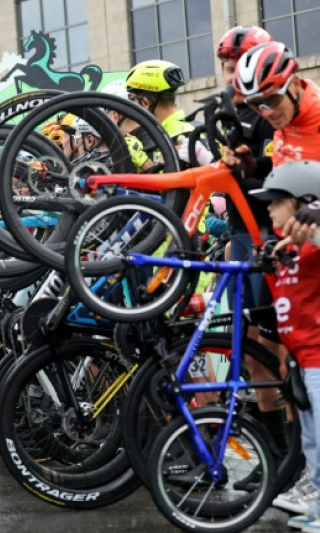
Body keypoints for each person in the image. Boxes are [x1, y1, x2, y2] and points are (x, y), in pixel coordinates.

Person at [229, 40, 320, 515]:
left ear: (294, 81)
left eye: (271, 100)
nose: (266, 111)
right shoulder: (277, 122)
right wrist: (252, 168)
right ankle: (301, 470)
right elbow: (285, 179)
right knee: (285, 362)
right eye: (255, 104)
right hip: (292, 252)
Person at [248, 161, 320, 532]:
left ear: (303, 203)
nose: (270, 209)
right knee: (310, 438)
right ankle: (317, 500)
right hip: (301, 358)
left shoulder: (313, 244)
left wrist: (314, 223)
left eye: (276, 202)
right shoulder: (284, 248)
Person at [125, 59, 213, 168]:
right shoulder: (198, 126)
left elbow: (173, 183)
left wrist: (143, 162)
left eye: (132, 99)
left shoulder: (175, 138)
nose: (132, 105)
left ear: (145, 102)